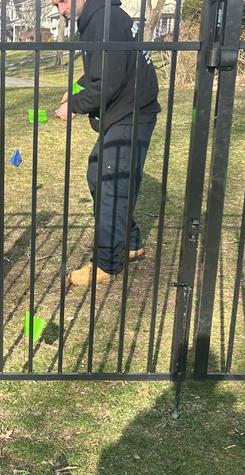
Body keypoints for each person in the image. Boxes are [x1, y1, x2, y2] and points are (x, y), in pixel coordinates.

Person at [53, 0, 160, 287]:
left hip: (131, 112)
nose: (59, 8)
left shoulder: (103, 20)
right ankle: (132, 242)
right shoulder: (99, 17)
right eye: (54, 3)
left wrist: (74, 106)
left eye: (61, 0)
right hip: (129, 109)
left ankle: (106, 263)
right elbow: (101, 69)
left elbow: (108, 82)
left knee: (108, 181)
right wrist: (75, 88)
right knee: (101, 175)